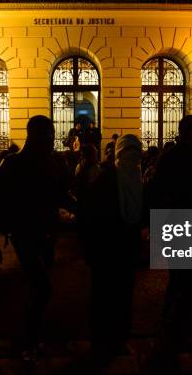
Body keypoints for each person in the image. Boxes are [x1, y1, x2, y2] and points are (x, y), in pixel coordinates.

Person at [0, 115, 74, 362]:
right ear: (33, 137)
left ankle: (32, 338)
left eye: (50, 136)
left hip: (47, 233)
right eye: (45, 137)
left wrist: (82, 210)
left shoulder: (51, 161)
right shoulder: (13, 164)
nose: (49, 141)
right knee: (43, 287)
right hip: (24, 233)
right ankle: (25, 341)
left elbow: (63, 193)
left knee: (38, 288)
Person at [148, 115, 192, 350]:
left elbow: (157, 191)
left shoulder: (171, 156)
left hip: (175, 224)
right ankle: (176, 328)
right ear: (191, 133)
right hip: (186, 225)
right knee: (189, 279)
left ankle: (171, 323)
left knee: (180, 277)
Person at [83, 134, 145, 361]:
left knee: (123, 297)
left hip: (126, 251)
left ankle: (119, 339)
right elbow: (91, 215)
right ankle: (100, 341)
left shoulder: (137, 178)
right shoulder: (107, 177)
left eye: (136, 152)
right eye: (127, 151)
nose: (132, 156)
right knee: (104, 297)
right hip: (106, 250)